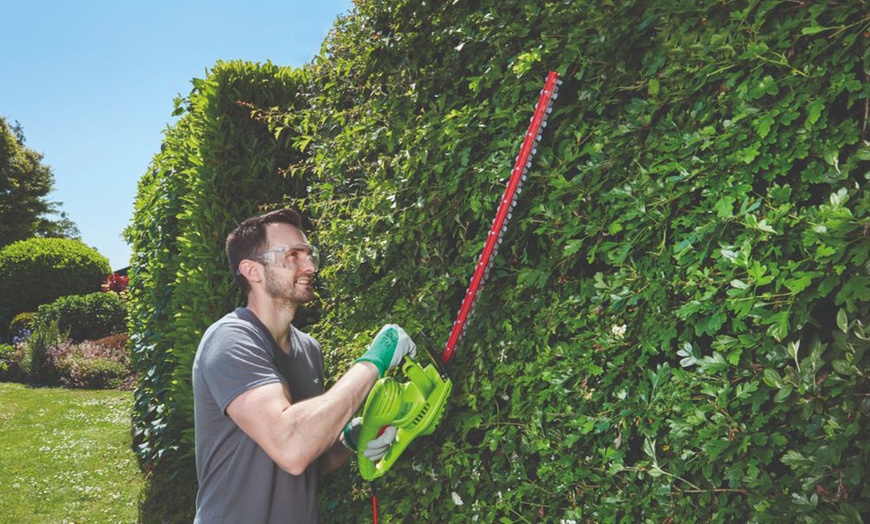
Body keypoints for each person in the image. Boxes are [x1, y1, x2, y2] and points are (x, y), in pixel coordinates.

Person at [192, 208, 416, 523]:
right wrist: (374, 361)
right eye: (293, 255)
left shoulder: (309, 349)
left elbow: (308, 459)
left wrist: (352, 438)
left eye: (309, 255)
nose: (309, 266)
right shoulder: (230, 340)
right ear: (252, 271)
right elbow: (291, 446)